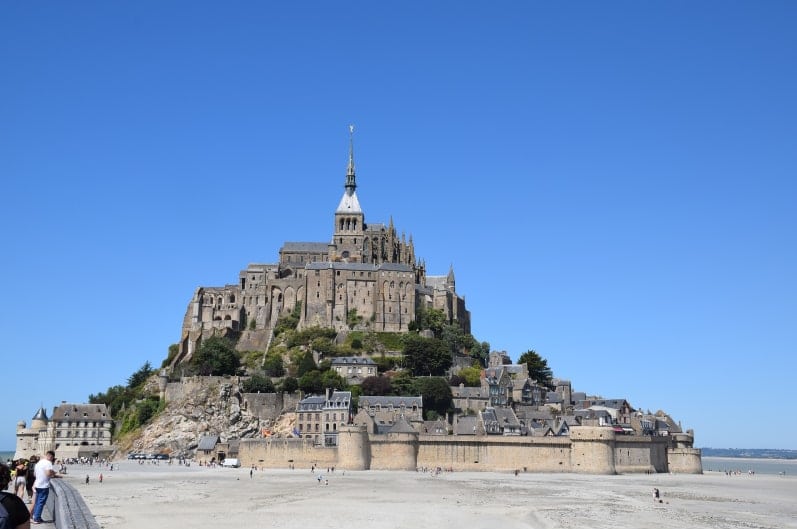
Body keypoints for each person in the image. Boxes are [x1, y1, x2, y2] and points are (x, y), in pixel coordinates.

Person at [31, 451, 59, 524]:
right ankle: (36, 518)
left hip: (37, 484)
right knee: (41, 502)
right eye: (52, 458)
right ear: (51, 456)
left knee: (37, 502)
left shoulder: (39, 463)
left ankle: (36, 516)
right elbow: (48, 473)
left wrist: (52, 472)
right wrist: (55, 474)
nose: (52, 460)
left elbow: (34, 474)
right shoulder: (48, 463)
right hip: (43, 485)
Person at [0, 462, 31, 528]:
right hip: (23, 478)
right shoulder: (25, 467)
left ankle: (15, 494)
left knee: (16, 490)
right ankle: (20, 497)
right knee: (22, 490)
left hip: (18, 478)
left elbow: (16, 474)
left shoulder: (17, 467)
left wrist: (13, 478)